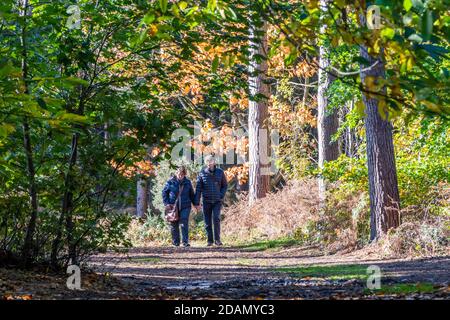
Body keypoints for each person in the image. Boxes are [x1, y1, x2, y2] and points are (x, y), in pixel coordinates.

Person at [194, 155, 228, 246]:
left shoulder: (220, 172)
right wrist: (196, 203)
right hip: (206, 201)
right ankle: (210, 240)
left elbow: (225, 185)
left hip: (217, 201)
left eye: (211, 161)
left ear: (214, 162)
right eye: (207, 161)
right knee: (207, 221)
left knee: (216, 218)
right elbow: (198, 189)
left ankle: (217, 240)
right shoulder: (202, 173)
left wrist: (221, 195)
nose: (209, 163)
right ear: (206, 163)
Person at [162, 166, 195, 247]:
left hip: (185, 206)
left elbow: (191, 194)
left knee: (184, 222)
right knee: (174, 224)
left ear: (184, 174)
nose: (180, 176)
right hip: (173, 207)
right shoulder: (170, 182)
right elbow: (164, 193)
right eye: (179, 174)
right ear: (176, 173)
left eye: (182, 174)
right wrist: (167, 204)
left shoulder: (187, 182)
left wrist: (196, 204)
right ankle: (175, 242)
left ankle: (185, 242)